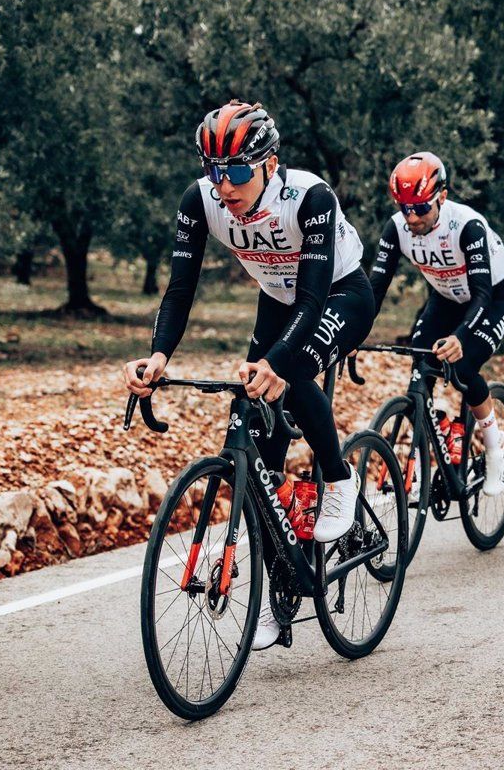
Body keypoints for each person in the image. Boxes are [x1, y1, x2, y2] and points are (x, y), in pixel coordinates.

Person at [121, 100, 374, 649]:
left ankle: (339, 478)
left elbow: (311, 297)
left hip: (337, 295)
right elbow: (179, 289)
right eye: (215, 171)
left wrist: (277, 364)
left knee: (291, 374)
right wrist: (159, 355)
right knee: (257, 443)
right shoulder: (201, 200)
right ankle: (275, 591)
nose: (224, 186)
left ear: (270, 164)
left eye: (236, 172)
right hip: (278, 300)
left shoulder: (310, 198)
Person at [369, 152, 504, 495]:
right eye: (404, 208)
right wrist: (352, 333)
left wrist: (461, 336)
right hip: (445, 300)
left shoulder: (467, 226)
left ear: (442, 197)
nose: (412, 217)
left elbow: (481, 294)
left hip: (491, 300)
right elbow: (374, 290)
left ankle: (496, 445)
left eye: (421, 208)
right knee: (421, 366)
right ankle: (426, 457)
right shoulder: (397, 227)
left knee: (462, 366)